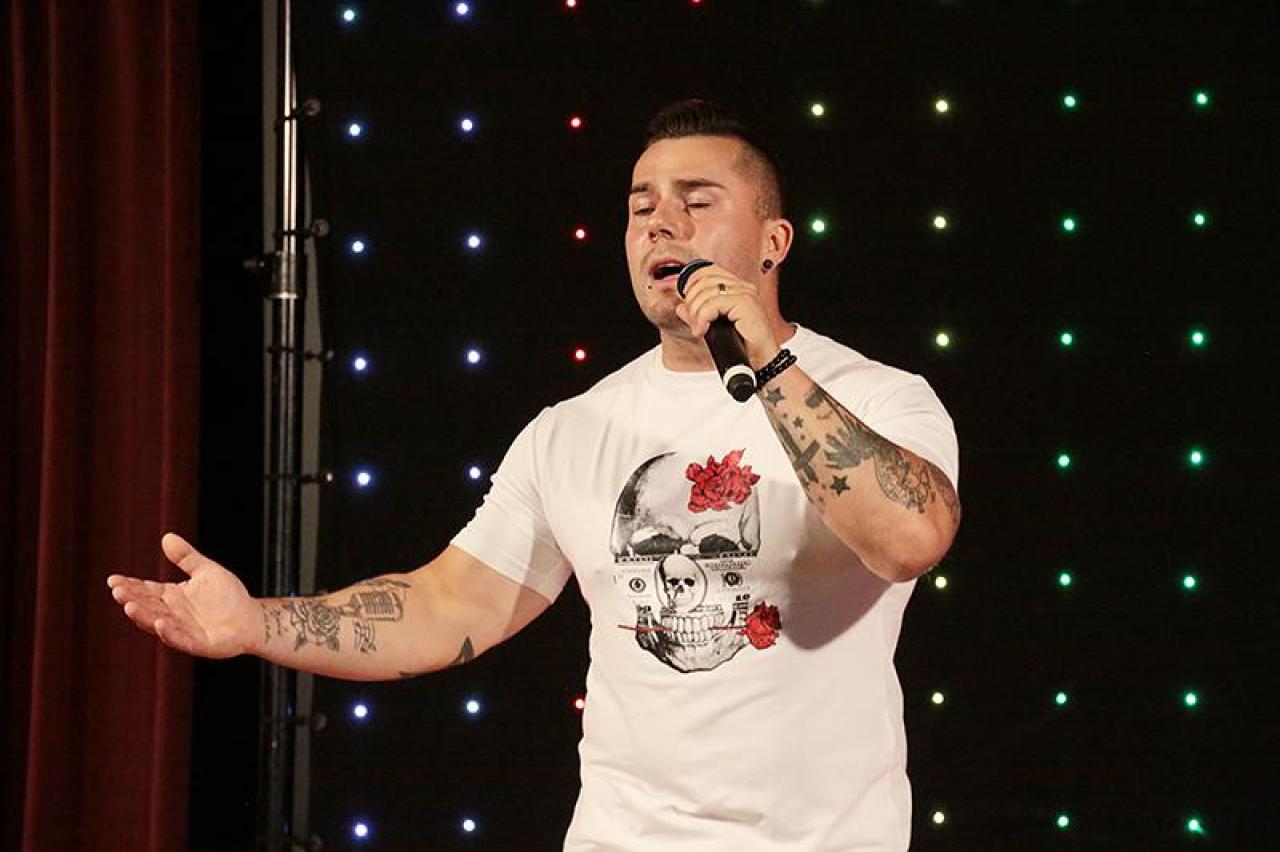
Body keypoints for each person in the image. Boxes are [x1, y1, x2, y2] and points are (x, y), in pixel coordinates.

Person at [109, 98, 961, 850]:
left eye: (697, 202)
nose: (661, 225)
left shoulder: (876, 397)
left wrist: (769, 363)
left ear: (774, 242)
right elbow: (449, 606)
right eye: (641, 207)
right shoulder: (574, 430)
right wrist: (256, 624)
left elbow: (910, 541)